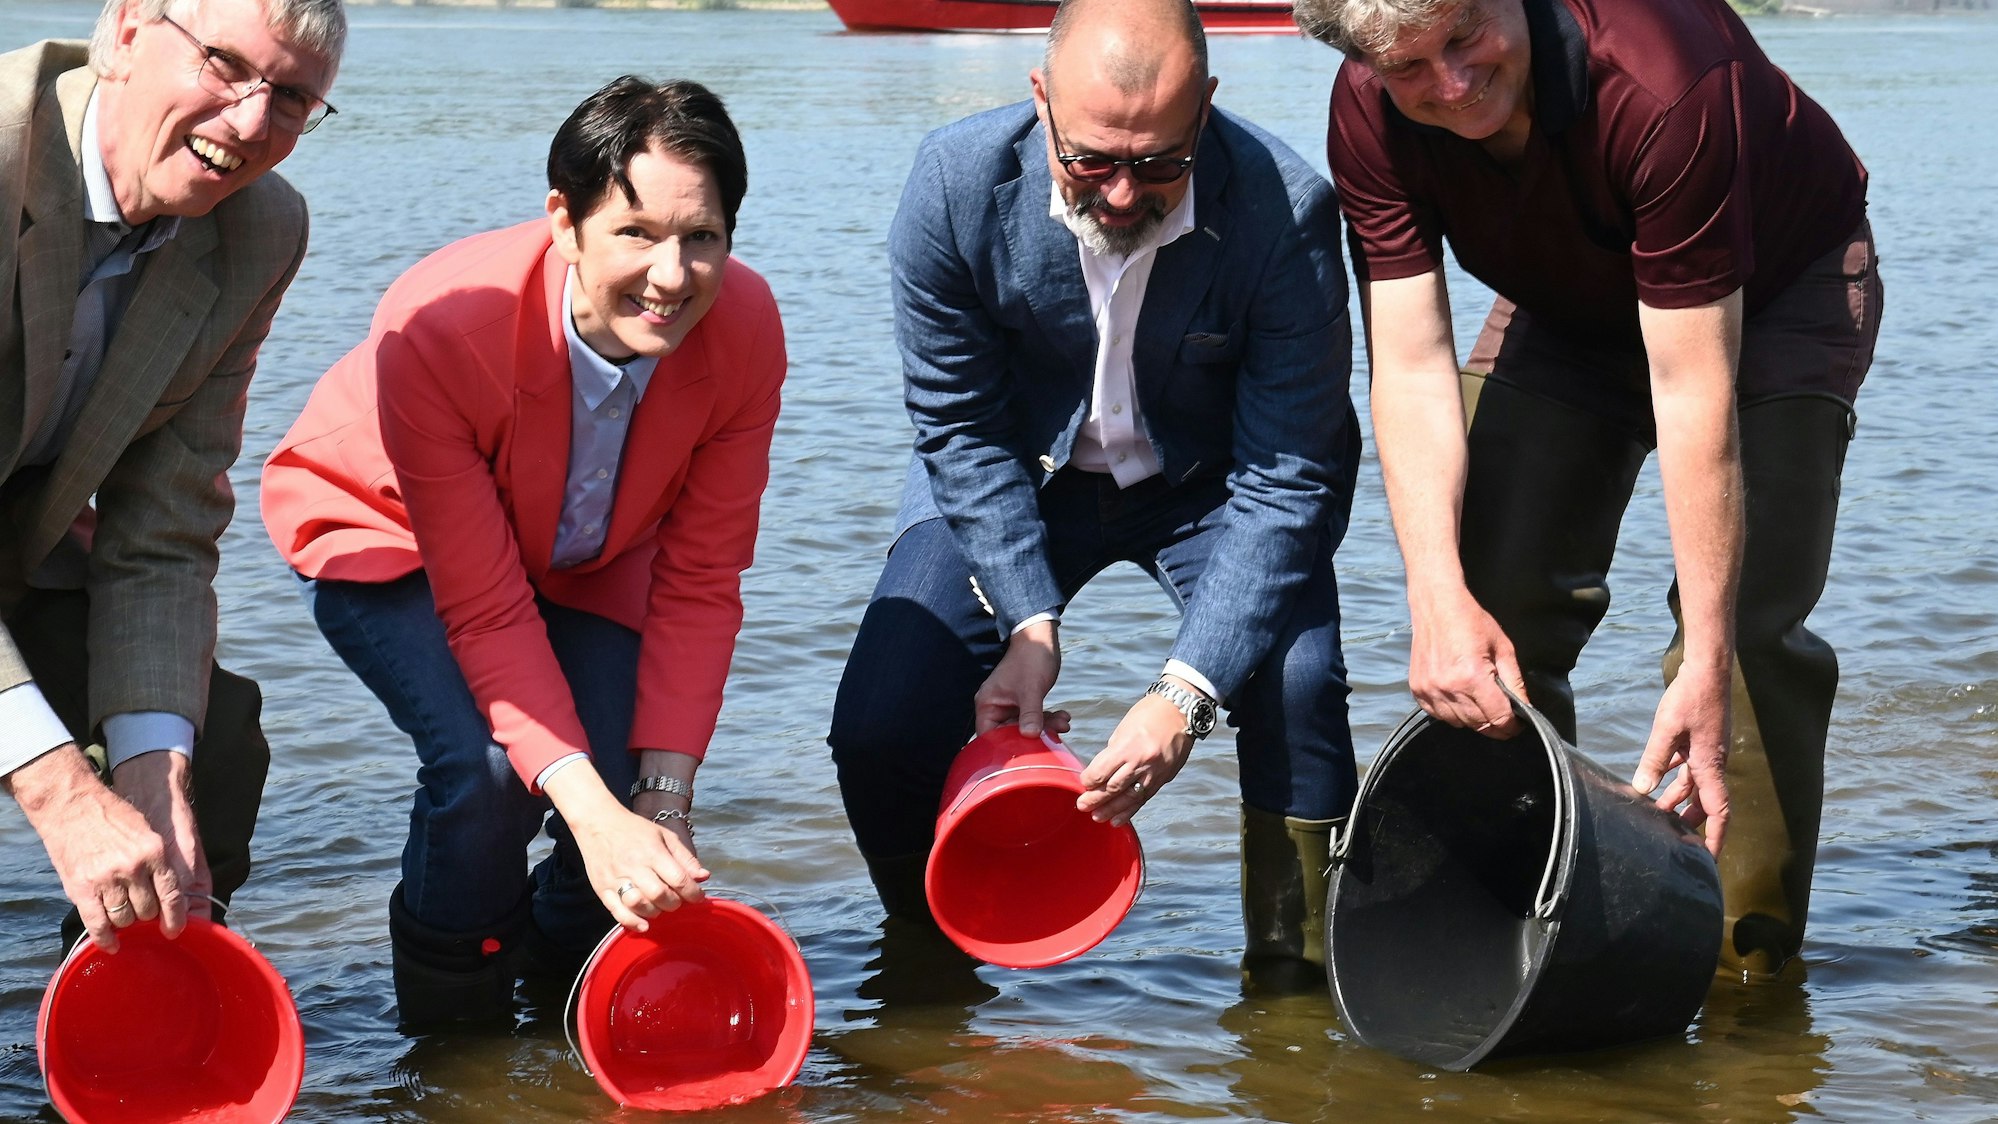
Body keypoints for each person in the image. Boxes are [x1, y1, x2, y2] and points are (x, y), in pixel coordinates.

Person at [1295, 0, 1882, 976]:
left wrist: (1706, 655)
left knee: (1739, 643)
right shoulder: (1368, 109)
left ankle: (1747, 976)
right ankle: (1534, 926)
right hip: (1567, 298)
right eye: (1408, 68)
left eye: (1464, 38)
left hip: (1780, 288)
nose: (1448, 84)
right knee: (1491, 597)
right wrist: (1435, 596)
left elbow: (1694, 390)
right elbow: (1406, 361)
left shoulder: (1663, 80)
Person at [828, 0, 1362, 992]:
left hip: (1215, 489)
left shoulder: (1286, 211)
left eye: (1160, 163)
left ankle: (1295, 987)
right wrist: (1027, 618)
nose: (1122, 193)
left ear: (1206, 107)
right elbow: (960, 429)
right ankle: (935, 948)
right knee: (884, 719)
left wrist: (1184, 693)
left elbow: (1290, 473)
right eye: (1090, 162)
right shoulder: (954, 186)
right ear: (1041, 101)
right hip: (1016, 473)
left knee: (1295, 685)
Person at [260, 76, 784, 1026]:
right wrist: (589, 816)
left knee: (630, 778)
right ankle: (453, 1038)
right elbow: (487, 609)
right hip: (386, 529)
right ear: (562, 220)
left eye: (701, 237)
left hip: (587, 545)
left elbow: (702, 581)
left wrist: (660, 806)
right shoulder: (441, 326)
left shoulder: (744, 326)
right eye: (636, 232)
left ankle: (562, 983)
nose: (673, 276)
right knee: (489, 770)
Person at [1, 0, 344, 954]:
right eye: (225, 65)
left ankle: (124, 1025)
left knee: (212, 744)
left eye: (290, 98)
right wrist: (61, 788)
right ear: (121, 33)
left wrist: (153, 770)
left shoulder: (259, 231)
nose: (247, 122)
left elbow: (164, 527)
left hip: (24, 540)